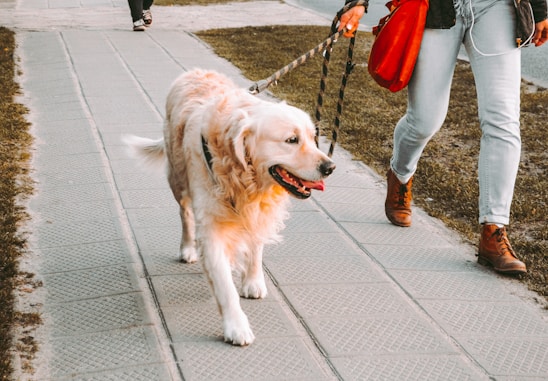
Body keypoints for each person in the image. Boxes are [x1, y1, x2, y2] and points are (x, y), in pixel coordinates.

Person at [339, 0, 548, 275]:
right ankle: (400, 173)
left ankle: (493, 229)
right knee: (424, 120)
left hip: (497, 7)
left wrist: (540, 10)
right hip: (437, 7)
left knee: (503, 121)